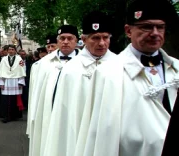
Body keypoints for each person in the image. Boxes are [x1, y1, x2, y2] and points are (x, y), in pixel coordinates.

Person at [79, 0, 179, 155]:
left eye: (160, 27)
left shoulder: (177, 68)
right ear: (128, 31)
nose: (155, 33)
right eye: (146, 26)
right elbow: (101, 134)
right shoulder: (108, 73)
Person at [41, 11, 117, 156]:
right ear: (84, 39)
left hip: (110, 133)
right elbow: (62, 114)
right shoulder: (71, 69)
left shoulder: (119, 65)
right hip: (78, 132)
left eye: (105, 37)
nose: (101, 43)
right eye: (95, 38)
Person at [28, 25, 80, 156]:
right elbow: (36, 95)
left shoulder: (85, 64)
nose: (65, 41)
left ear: (77, 41)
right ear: (58, 41)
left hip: (74, 116)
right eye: (62, 38)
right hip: (48, 114)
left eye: (70, 38)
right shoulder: (43, 64)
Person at [0, 45, 26, 123]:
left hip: (16, 81)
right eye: (9, 49)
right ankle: (6, 116)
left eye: (12, 49)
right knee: (6, 99)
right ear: (7, 50)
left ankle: (15, 116)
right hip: (6, 81)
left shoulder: (19, 59)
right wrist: (1, 82)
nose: (11, 51)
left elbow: (22, 70)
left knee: (15, 99)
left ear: (15, 50)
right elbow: (1, 70)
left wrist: (21, 81)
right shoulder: (3, 59)